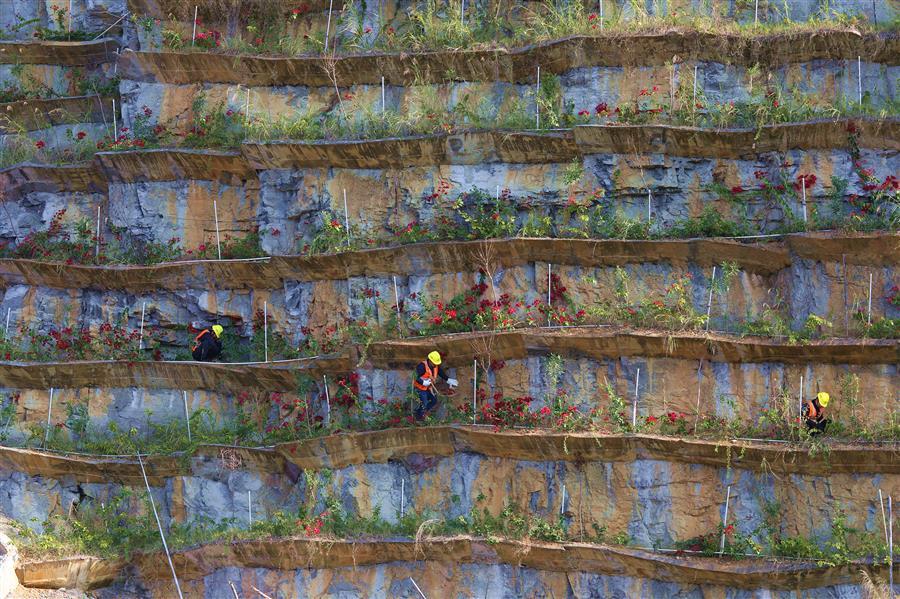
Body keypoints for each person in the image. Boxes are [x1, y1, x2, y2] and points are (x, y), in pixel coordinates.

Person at [412, 351, 458, 420]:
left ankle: (420, 413)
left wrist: (448, 379)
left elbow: (441, 373)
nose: (436, 365)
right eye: (434, 363)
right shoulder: (422, 366)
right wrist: (423, 382)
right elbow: (416, 377)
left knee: (434, 400)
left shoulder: (435, 366)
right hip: (419, 388)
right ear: (430, 360)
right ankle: (420, 418)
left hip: (427, 388)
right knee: (424, 402)